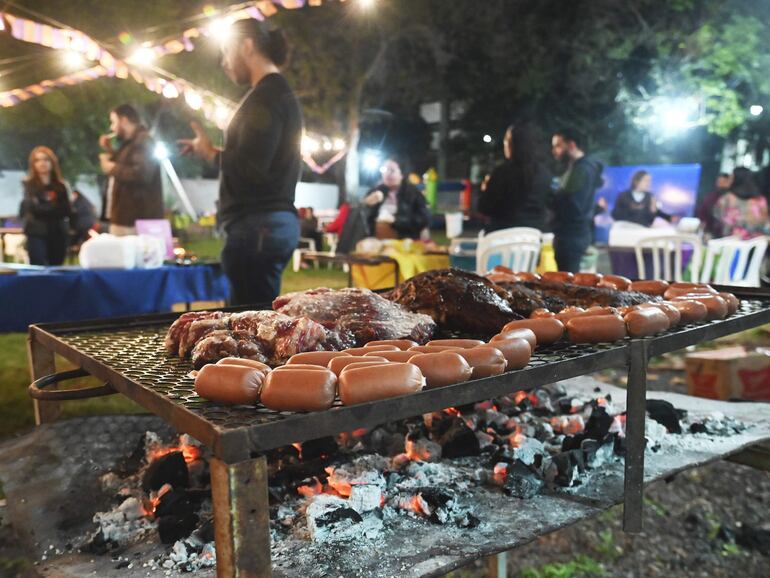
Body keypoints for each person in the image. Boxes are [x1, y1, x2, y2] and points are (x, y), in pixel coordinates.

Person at [178, 19, 301, 305]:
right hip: (267, 224)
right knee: (254, 319)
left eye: (226, 51)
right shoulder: (275, 93)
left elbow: (252, 168)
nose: (224, 62)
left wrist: (211, 153)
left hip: (258, 225)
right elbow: (258, 158)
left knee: (247, 325)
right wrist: (212, 151)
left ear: (247, 46)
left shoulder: (265, 97)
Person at [98, 104, 163, 236]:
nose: (112, 127)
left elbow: (141, 174)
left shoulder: (143, 141)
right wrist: (110, 150)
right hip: (126, 218)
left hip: (135, 220)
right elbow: (127, 165)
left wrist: (112, 167)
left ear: (124, 120)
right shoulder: (130, 143)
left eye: (113, 122)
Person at [549, 129, 604, 272]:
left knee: (567, 285)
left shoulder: (581, 170)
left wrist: (552, 196)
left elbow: (573, 207)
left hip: (571, 237)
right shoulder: (578, 168)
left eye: (558, 146)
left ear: (572, 145)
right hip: (575, 235)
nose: (554, 151)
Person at [478, 124, 550, 231]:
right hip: (534, 236)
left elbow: (484, 208)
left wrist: (485, 189)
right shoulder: (544, 174)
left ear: (511, 145)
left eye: (506, 141)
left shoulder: (501, 173)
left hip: (503, 235)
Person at [19, 146, 72, 266]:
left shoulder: (61, 186)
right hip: (36, 233)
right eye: (37, 160)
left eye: (46, 159)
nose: (42, 163)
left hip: (58, 233)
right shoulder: (28, 185)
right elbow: (31, 208)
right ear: (33, 164)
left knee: (56, 268)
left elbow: (66, 210)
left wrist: (44, 209)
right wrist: (52, 209)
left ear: (52, 162)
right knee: (37, 267)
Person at [362, 159, 431, 240]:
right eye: (384, 169)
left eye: (392, 170)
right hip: (376, 243)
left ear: (401, 174)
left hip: (404, 242)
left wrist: (397, 221)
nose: (387, 173)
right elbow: (363, 220)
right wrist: (365, 205)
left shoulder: (413, 193)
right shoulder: (374, 192)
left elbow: (424, 219)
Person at [714, 167, 769, 239]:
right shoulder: (760, 200)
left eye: (731, 178)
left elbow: (717, 221)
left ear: (737, 179)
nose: (729, 181)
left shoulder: (727, 199)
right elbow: (766, 224)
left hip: (730, 245)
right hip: (757, 245)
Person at [697, 173, 731, 237]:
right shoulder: (711, 197)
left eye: (724, 182)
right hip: (711, 231)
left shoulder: (732, 198)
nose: (721, 184)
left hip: (727, 233)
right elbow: (702, 212)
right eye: (719, 182)